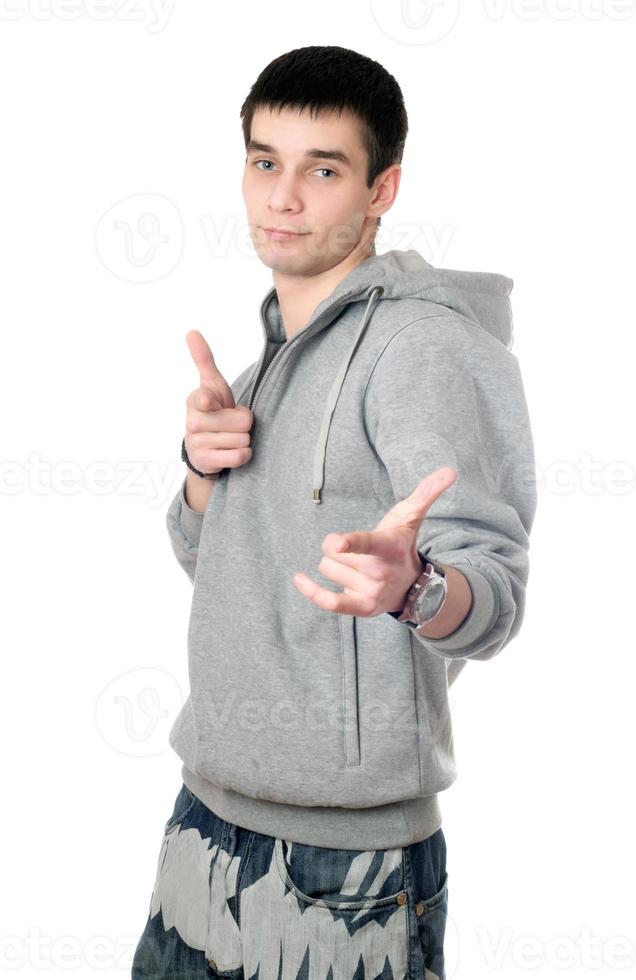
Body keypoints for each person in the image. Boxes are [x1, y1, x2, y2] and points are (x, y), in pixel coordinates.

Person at [132, 44, 537, 980]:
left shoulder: (423, 348)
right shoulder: (267, 357)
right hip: (205, 817)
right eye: (265, 161)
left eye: (323, 169)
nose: (283, 196)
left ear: (382, 187)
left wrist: (416, 587)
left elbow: (496, 597)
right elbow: (215, 560)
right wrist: (203, 470)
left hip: (343, 866)